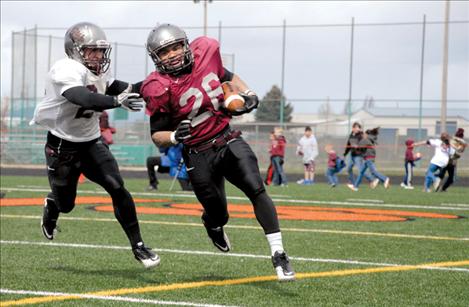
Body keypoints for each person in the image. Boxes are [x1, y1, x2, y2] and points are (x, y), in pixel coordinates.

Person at [141, 23, 294, 281]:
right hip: (197, 154)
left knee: (256, 188)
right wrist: (175, 136)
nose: (173, 54)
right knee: (218, 212)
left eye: (177, 46)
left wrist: (248, 93)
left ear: (187, 45)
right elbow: (156, 134)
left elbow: (228, 76)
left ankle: (278, 253)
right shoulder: (158, 86)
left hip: (226, 139)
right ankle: (212, 225)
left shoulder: (207, 53)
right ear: (156, 58)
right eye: (165, 51)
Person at [29, 22, 159, 268]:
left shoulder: (98, 73)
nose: (99, 56)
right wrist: (114, 101)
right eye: (92, 51)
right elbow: (83, 97)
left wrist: (158, 82)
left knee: (118, 188)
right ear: (76, 50)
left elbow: (129, 88)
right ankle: (52, 204)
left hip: (91, 143)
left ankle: (139, 246)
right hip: (62, 146)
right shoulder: (65, 68)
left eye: (101, 51)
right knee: (66, 204)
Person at [347, 127, 390, 191]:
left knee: (373, 172)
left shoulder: (365, 139)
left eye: (364, 134)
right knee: (361, 172)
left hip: (368, 158)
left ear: (367, 134)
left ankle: (385, 179)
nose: (363, 135)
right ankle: (355, 187)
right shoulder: (369, 139)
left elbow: (358, 147)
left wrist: (354, 145)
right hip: (368, 157)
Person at [78, 111, 115, 183]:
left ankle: (88, 176)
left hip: (97, 136)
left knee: (93, 159)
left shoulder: (101, 112)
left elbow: (104, 124)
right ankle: (83, 177)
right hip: (95, 136)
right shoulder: (99, 112)